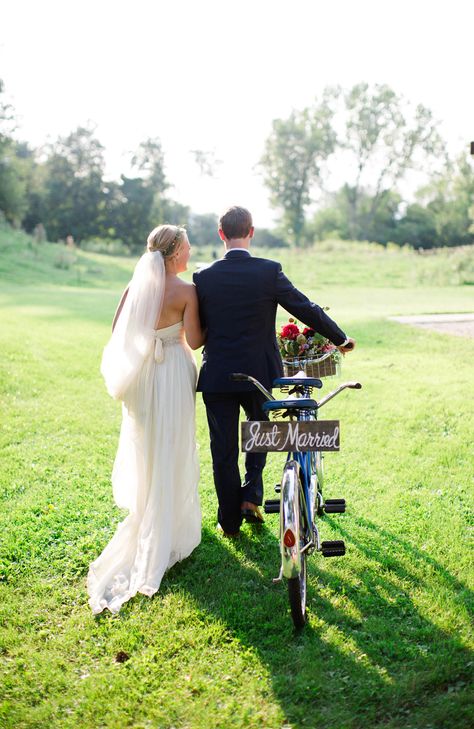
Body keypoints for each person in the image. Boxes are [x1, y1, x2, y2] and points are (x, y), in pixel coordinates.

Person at [193, 206, 355, 538]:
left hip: (218, 374)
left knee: (222, 448)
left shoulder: (203, 276)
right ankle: (251, 497)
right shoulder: (268, 271)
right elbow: (303, 306)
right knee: (259, 434)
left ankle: (229, 522)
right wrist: (340, 338)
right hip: (259, 371)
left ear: (220, 234)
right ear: (251, 232)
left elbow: (203, 327)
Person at [87, 225, 204, 614]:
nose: (190, 252)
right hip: (171, 370)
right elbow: (196, 339)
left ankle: (150, 509)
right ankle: (167, 519)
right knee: (171, 444)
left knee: (147, 444)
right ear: (173, 255)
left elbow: (118, 330)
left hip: (143, 377)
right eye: (186, 247)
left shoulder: (133, 288)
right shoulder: (186, 291)